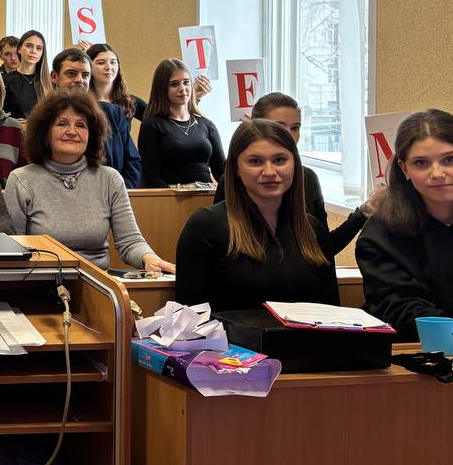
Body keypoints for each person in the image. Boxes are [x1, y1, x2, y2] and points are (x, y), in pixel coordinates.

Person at [5, 91, 175, 272]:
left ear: (91, 135)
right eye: (62, 123)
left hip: (97, 281)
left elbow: (130, 241)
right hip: (40, 279)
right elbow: (13, 249)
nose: (72, 131)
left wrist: (148, 258)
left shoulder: (110, 179)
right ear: (45, 132)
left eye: (80, 125)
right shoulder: (21, 180)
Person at [176, 119, 335, 311]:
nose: (269, 172)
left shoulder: (313, 229)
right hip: (228, 332)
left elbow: (333, 314)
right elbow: (189, 318)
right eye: (255, 161)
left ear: (295, 165)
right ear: (236, 169)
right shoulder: (205, 226)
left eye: (279, 160)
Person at [214, 92, 369, 258]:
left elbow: (322, 248)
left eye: (295, 128)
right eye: (279, 126)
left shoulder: (308, 179)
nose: (288, 134)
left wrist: (362, 215)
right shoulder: (232, 184)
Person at [357, 109, 453, 334]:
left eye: (450, 160)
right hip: (414, 346)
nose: (437, 173)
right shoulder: (379, 235)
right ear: (404, 168)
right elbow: (400, 307)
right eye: (421, 163)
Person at [50, 48, 142, 189]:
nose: (79, 80)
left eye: (85, 75)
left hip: (110, 192)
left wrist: (122, 191)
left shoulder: (112, 113)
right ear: (54, 77)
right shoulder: (44, 116)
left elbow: (133, 161)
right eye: (71, 74)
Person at [138, 58, 225, 189]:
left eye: (186, 82)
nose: (182, 89)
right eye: (174, 84)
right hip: (172, 194)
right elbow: (152, 176)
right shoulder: (152, 125)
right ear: (161, 88)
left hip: (207, 193)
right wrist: (171, 197)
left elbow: (222, 172)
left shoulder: (207, 125)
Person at [87, 43, 147, 122]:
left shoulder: (128, 101)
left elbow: (157, 120)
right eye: (101, 63)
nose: (108, 67)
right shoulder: (82, 102)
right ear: (88, 67)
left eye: (113, 62)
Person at [3, 30, 49, 119]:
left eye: (38, 48)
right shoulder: (6, 81)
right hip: (14, 127)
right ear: (19, 49)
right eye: (29, 46)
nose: (33, 51)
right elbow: (0, 115)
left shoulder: (48, 82)